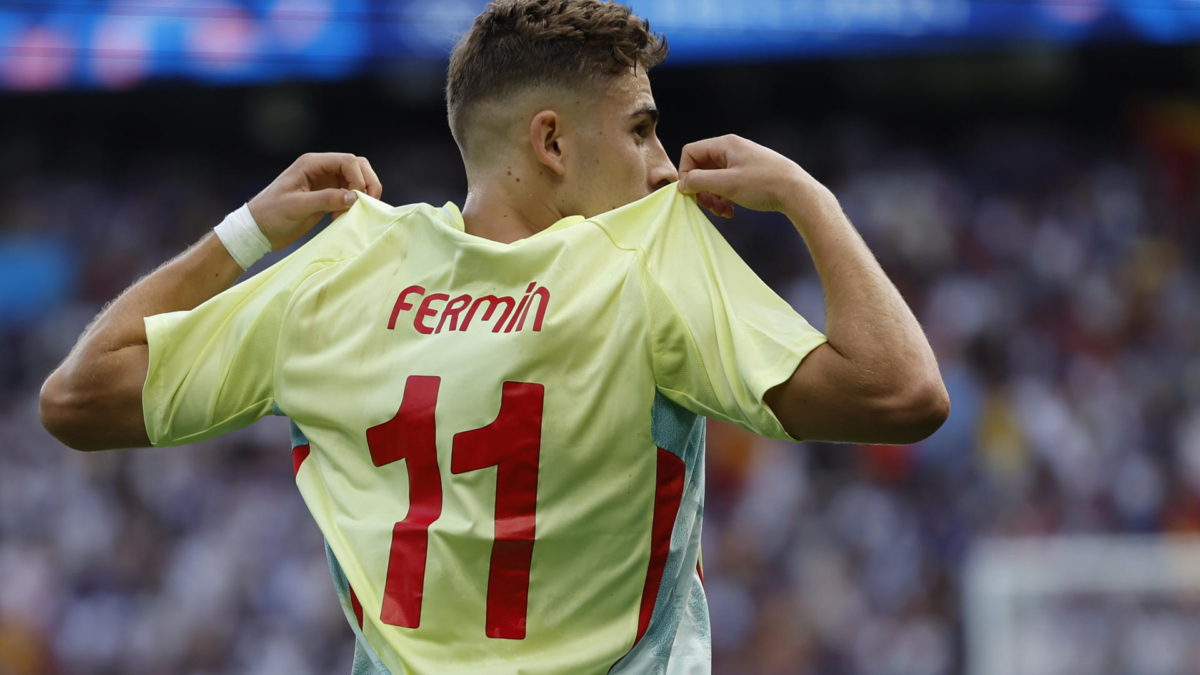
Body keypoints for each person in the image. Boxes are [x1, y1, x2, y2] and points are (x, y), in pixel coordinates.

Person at [38, 0, 949, 672]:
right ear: (551, 141)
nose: (663, 165)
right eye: (641, 130)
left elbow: (78, 396)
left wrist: (249, 229)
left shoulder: (338, 273)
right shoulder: (647, 260)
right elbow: (903, 393)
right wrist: (804, 195)